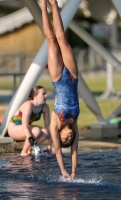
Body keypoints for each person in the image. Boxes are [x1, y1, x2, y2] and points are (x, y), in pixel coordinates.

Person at [41, 0, 80, 179]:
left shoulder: (55, 123)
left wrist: (63, 172)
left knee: (51, 40)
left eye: (66, 139)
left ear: (60, 135)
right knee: (62, 37)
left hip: (57, 78)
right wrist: (73, 172)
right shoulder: (74, 123)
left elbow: (58, 150)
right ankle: (54, 4)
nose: (70, 138)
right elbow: (74, 152)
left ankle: (43, 5)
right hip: (72, 77)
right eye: (70, 140)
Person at [8, 85, 52, 156]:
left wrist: (49, 145)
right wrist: (30, 138)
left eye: (45, 93)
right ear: (35, 96)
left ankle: (29, 150)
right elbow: (25, 126)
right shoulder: (28, 105)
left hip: (25, 128)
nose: (46, 96)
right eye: (43, 94)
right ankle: (23, 152)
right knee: (36, 131)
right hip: (14, 128)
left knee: (45, 133)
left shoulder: (45, 107)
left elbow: (48, 127)